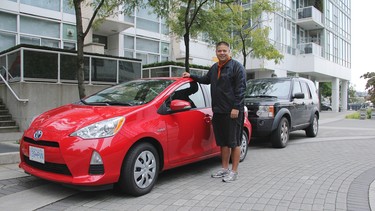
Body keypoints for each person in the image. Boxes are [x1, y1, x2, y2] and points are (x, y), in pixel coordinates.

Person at [182, 41, 246, 182]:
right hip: (218, 111)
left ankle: (234, 172)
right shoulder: (215, 67)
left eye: (224, 50)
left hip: (233, 112)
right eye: (219, 51)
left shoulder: (237, 67)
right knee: (223, 142)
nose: (222, 53)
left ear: (229, 52)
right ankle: (224, 169)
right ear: (216, 52)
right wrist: (191, 76)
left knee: (234, 142)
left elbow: (241, 89)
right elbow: (205, 80)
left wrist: (236, 107)